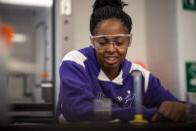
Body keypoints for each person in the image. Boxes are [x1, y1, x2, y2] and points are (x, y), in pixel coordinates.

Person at [55, 0, 186, 122]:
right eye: (102, 42)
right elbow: (78, 109)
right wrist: (144, 113)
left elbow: (180, 108)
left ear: (128, 41)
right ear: (93, 41)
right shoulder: (75, 62)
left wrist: (181, 109)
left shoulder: (139, 76)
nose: (111, 49)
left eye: (119, 42)